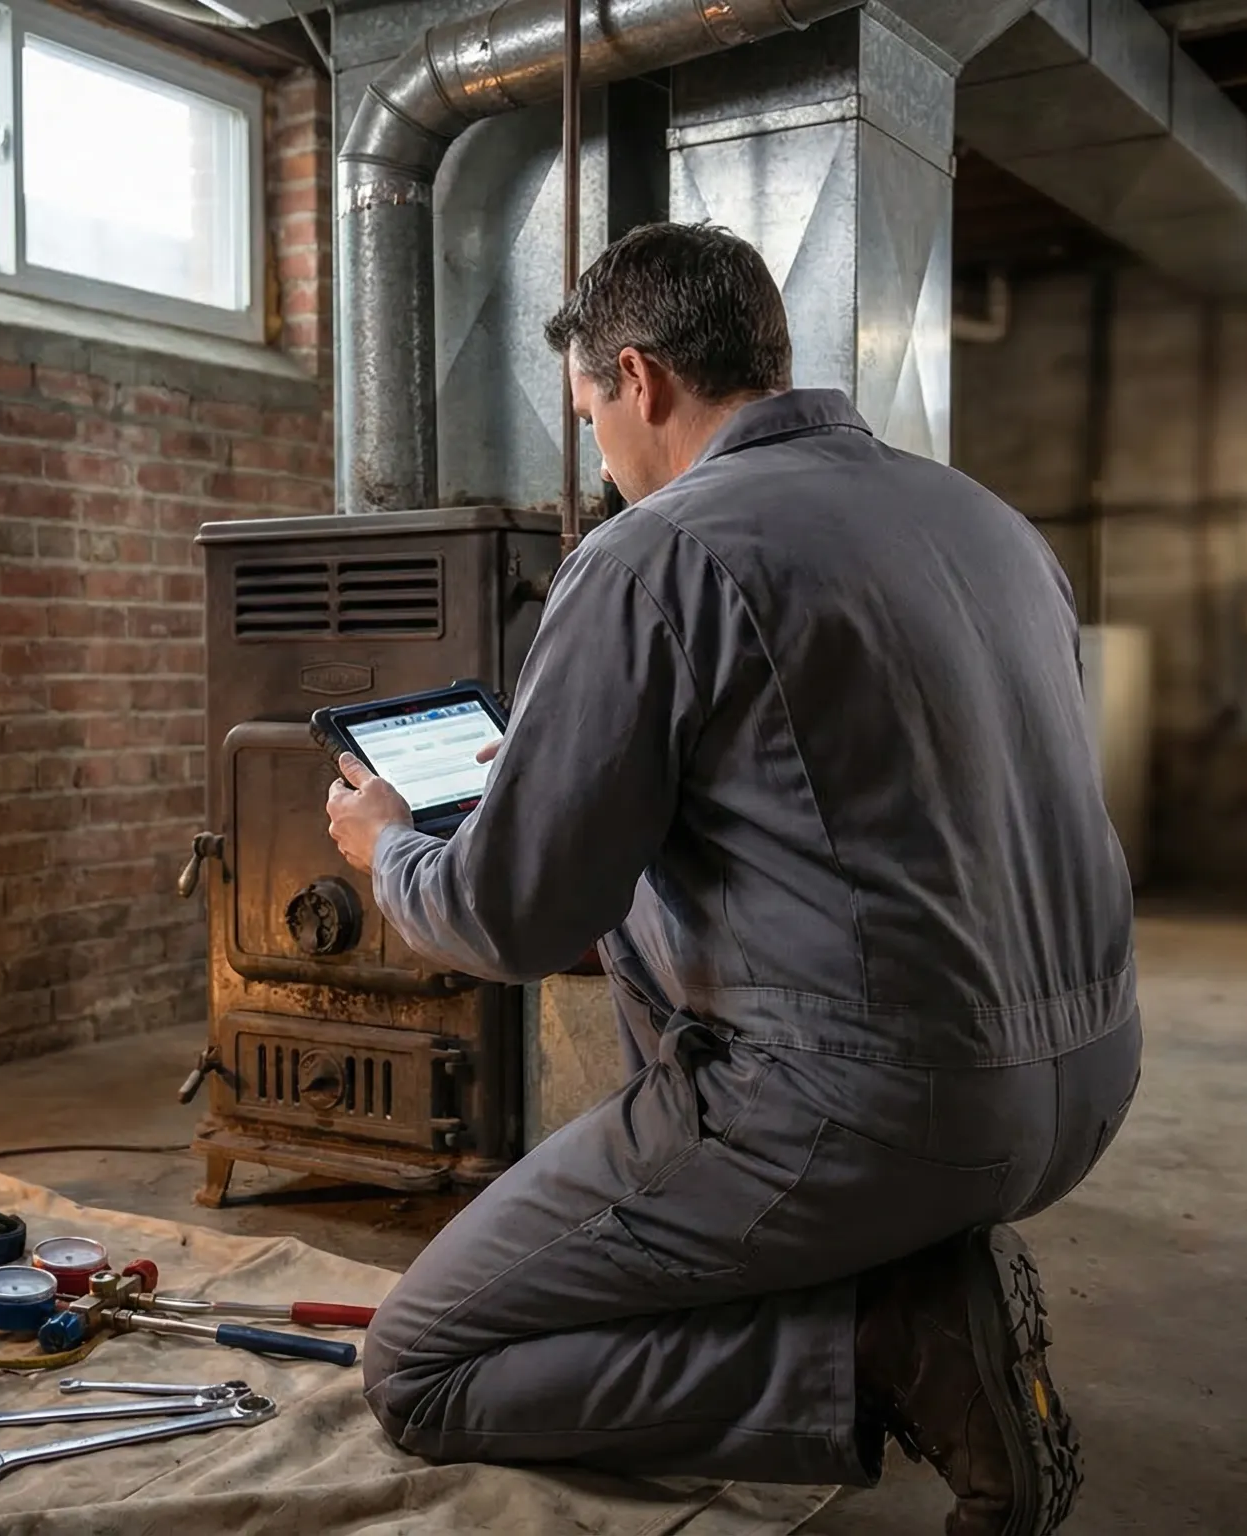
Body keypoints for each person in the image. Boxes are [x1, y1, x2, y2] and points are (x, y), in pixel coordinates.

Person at [322, 221, 1142, 1536]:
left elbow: (507, 918)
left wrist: (392, 848)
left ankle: (885, 1346)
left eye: (590, 413)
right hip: (1086, 1087)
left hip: (869, 1113)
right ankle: (903, 1277)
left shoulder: (656, 553)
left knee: (417, 1364)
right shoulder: (989, 522)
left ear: (637, 380)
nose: (599, 452)